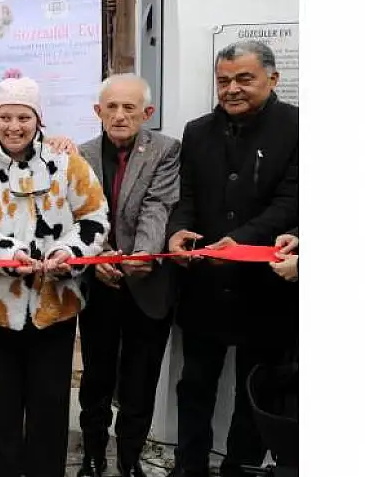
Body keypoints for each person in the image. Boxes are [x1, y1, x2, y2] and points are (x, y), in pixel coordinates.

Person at [0, 76, 109, 477]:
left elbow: (94, 216)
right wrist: (5, 252)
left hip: (55, 304)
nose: (14, 126)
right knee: (1, 403)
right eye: (5, 117)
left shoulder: (66, 163)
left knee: (50, 404)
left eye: (23, 117)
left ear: (38, 119)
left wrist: (66, 251)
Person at [165, 40, 298, 477]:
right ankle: (189, 466)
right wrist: (177, 233)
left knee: (253, 388)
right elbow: (186, 198)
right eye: (223, 80)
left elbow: (290, 202)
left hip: (267, 288)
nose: (232, 89)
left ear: (272, 79)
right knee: (195, 385)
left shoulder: (299, 127)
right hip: (205, 286)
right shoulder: (198, 130)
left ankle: (240, 467)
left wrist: (240, 242)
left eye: (244, 78)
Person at [75, 75, 181, 477]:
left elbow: (158, 206)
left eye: (129, 108)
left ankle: (130, 457)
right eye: (111, 107)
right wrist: (97, 255)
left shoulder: (166, 151)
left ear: (146, 113)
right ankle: (92, 454)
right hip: (98, 283)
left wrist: (141, 255)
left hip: (147, 281)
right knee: (96, 377)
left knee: (141, 378)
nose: (119, 116)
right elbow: (80, 213)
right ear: (98, 111)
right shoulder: (80, 155)